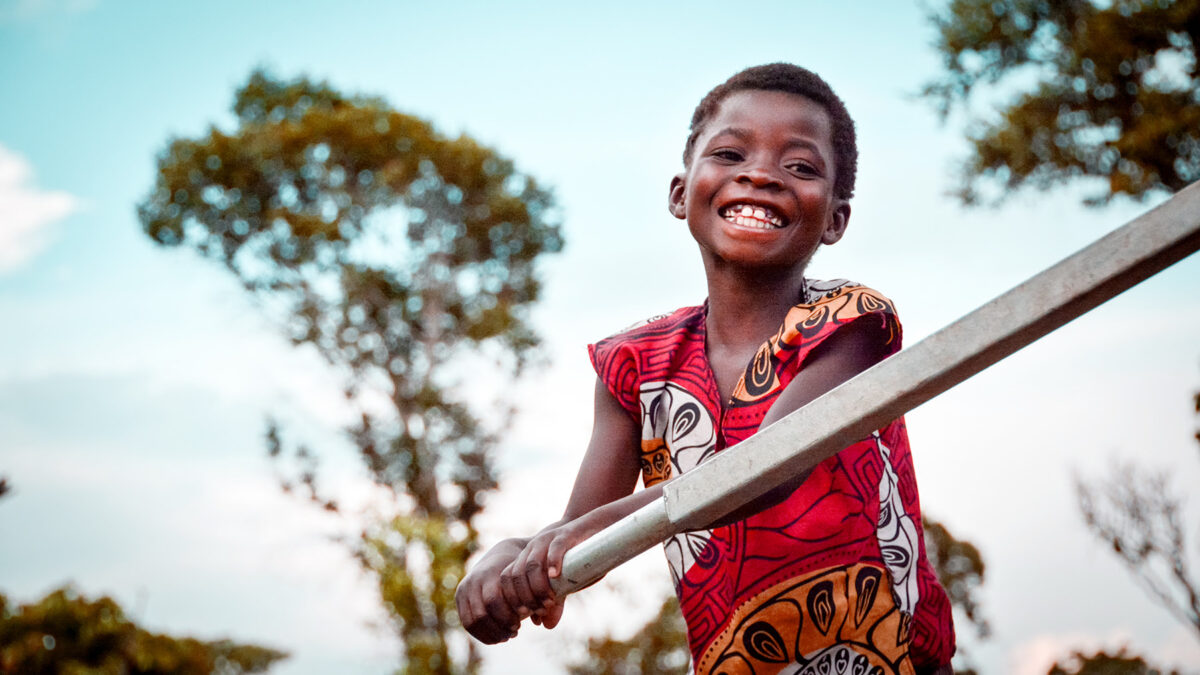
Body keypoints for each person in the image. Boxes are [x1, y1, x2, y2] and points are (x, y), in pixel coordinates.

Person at [455, 63, 956, 674]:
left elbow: (768, 469)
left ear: (834, 219)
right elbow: (579, 530)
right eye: (729, 152)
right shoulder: (635, 367)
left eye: (800, 167)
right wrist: (510, 560)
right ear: (679, 192)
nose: (761, 174)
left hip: (885, 660)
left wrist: (594, 533)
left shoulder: (850, 323)